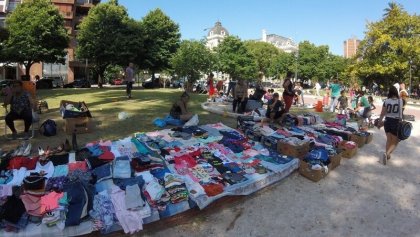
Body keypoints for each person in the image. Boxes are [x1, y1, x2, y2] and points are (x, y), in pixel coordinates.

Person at [377, 86, 403, 165]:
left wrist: (379, 122)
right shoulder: (400, 101)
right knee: (396, 140)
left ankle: (387, 156)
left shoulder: (386, 101)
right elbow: (401, 113)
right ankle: (387, 154)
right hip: (396, 121)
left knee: (389, 139)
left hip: (387, 121)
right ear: (396, 92)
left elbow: (382, 113)